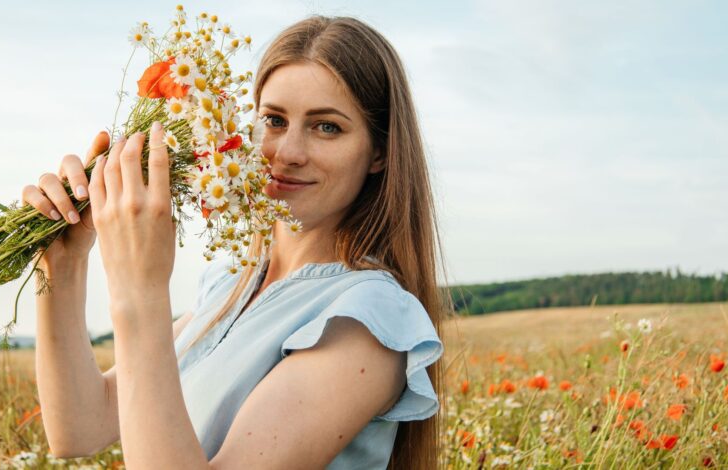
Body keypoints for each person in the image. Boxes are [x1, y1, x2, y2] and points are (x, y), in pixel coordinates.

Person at [22, 15, 450, 469]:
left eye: (327, 127)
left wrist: (139, 289)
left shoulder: (369, 317)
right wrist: (63, 266)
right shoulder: (231, 285)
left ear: (379, 153)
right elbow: (80, 428)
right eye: (274, 120)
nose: (287, 153)